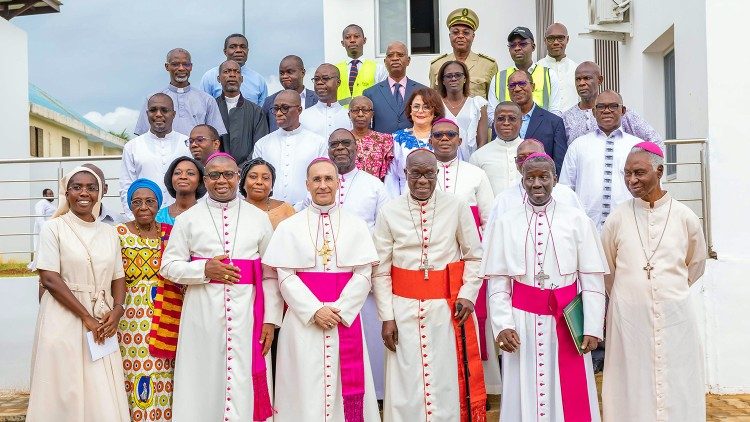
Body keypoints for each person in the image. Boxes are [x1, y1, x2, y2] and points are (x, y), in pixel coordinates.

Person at [482, 152, 606, 421]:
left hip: (567, 321)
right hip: (521, 321)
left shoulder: (577, 220)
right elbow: (498, 281)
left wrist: (593, 326)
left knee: (569, 392)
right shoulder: (506, 222)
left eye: (543, 177)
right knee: (522, 385)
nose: (537, 184)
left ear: (555, 179)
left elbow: (593, 279)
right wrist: (503, 324)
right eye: (530, 178)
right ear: (522, 180)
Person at [159, 152, 283, 422]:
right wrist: (204, 269)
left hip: (247, 315)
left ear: (238, 177)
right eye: (214, 175)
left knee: (243, 379)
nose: (221, 180)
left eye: (228, 174)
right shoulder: (188, 219)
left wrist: (271, 320)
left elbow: (271, 273)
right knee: (203, 380)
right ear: (205, 179)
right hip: (202, 316)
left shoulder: (258, 218)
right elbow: (168, 266)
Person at [373, 149, 487, 421]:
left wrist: (469, 294)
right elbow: (380, 270)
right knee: (406, 380)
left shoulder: (456, 206)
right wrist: (387, 317)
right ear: (405, 174)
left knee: (444, 377)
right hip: (403, 308)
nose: (422, 180)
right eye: (416, 174)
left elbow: (475, 255)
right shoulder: (389, 211)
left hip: (445, 309)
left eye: (428, 174)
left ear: (437, 174)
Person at [264, 158, 381, 421]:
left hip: (344, 319)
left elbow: (364, 273)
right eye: (316, 179)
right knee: (302, 384)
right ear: (307, 184)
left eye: (328, 179)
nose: (323, 185)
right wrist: (315, 310)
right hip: (302, 322)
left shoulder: (356, 225)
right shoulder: (289, 227)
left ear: (338, 182)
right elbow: (284, 275)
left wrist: (340, 310)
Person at [601, 142, 707, 422]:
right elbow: (607, 268)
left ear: (659, 171)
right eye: (626, 174)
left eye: (639, 173)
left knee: (678, 377)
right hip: (629, 318)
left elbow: (695, 263)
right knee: (631, 381)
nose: (631, 180)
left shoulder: (684, 216)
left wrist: (669, 290)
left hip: (675, 315)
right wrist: (632, 293)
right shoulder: (617, 218)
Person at [27, 166, 128, 421]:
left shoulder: (110, 232)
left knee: (100, 388)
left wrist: (117, 311)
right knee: (64, 386)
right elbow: (49, 278)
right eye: (77, 187)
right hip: (63, 315)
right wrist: (86, 316)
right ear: (67, 192)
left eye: (91, 188)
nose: (85, 193)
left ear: (100, 193)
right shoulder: (54, 228)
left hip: (102, 318)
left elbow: (119, 277)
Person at [428, 118, 498, 395]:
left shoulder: (475, 173)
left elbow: (488, 219)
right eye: (439, 135)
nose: (444, 139)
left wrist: (480, 256)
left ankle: (482, 386)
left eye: (451, 134)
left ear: (459, 140)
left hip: (468, 257)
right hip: (435, 258)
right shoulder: (420, 170)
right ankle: (444, 385)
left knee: (474, 317)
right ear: (430, 140)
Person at [116, 178, 173, 421]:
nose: (143, 207)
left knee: (165, 373)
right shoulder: (117, 233)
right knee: (135, 371)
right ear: (129, 205)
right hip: (130, 315)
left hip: (166, 311)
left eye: (150, 201)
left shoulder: (170, 233)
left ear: (158, 204)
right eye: (136, 202)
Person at [560, 90, 642, 230]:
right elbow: (565, 190)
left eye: (613, 106)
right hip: (587, 229)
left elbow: (648, 188)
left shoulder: (637, 146)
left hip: (629, 227)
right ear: (593, 112)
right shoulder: (578, 145)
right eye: (601, 107)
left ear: (622, 110)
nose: (607, 111)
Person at [252, 89, 328, 208]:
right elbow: (255, 181)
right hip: (268, 212)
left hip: (307, 213)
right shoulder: (262, 144)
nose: (278, 113)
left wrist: (300, 208)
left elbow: (322, 179)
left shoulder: (318, 143)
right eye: (275, 108)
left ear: (299, 110)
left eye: (285, 108)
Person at [120, 93, 191, 218]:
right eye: (153, 110)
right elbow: (127, 186)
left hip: (184, 218)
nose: (158, 114)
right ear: (147, 114)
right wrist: (134, 218)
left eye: (164, 110)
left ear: (173, 115)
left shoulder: (188, 144)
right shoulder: (132, 146)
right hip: (145, 220)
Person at [563, 61, 664, 148]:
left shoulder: (620, 112)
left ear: (600, 80)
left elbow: (655, 141)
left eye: (587, 78)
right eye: (578, 79)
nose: (581, 83)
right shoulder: (566, 118)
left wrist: (645, 168)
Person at [486, 139, 582, 228]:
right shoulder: (503, 199)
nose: (527, 161)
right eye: (521, 158)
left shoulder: (567, 195)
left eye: (532, 155)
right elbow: (493, 238)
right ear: (516, 163)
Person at [135, 48, 226, 137]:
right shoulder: (152, 100)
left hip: (195, 151)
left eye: (186, 64)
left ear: (191, 67)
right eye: (175, 64)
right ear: (167, 67)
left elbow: (214, 137)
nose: (181, 68)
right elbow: (142, 136)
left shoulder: (207, 100)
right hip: (161, 151)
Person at [489, 26, 561, 121]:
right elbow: (491, 115)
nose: (517, 48)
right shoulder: (498, 78)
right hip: (507, 132)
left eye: (522, 44)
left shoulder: (549, 75)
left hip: (541, 132)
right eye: (512, 45)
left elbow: (555, 111)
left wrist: (534, 126)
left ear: (533, 47)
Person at [383, 88, 444, 197]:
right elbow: (392, 175)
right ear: (410, 110)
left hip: (439, 198)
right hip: (406, 199)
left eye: (427, 107)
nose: (420, 111)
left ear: (435, 112)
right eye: (416, 106)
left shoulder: (443, 137)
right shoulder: (398, 138)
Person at [429, 8, 498, 99]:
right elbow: (433, 100)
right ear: (450, 36)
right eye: (456, 32)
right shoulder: (437, 65)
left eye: (466, 33)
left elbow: (494, 102)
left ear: (473, 36)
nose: (460, 36)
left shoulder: (488, 65)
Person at [508, 69, 568, 174]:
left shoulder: (554, 123)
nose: (517, 89)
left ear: (533, 87)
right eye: (512, 85)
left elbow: (559, 166)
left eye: (522, 84)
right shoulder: (501, 124)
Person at [363, 41, 427, 135]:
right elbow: (366, 127)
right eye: (390, 55)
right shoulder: (370, 93)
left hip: (414, 146)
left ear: (408, 60)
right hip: (382, 147)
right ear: (385, 62)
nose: (395, 58)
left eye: (400, 55)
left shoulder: (422, 91)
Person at [215, 59, 269, 165]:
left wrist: (242, 168)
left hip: (246, 173)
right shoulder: (211, 107)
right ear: (218, 78)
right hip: (217, 171)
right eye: (227, 71)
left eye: (236, 72)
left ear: (242, 79)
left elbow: (260, 145)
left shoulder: (256, 111)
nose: (232, 75)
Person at [436, 60, 489, 159]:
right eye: (449, 76)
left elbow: (483, 141)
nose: (453, 78)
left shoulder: (478, 104)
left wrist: (476, 163)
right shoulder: (436, 105)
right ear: (442, 81)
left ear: (465, 78)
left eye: (458, 75)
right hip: (443, 162)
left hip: (472, 162)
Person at [469, 102, 524, 195]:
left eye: (512, 119)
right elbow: (473, 192)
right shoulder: (478, 156)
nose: (506, 123)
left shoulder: (533, 151)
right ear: (494, 122)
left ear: (521, 122)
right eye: (501, 119)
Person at [201, 34, 267, 105]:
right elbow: (203, 107)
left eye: (243, 47)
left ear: (247, 51)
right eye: (233, 47)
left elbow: (262, 113)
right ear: (225, 51)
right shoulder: (209, 77)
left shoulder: (259, 80)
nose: (239, 50)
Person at [263, 55, 319, 131]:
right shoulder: (270, 101)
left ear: (302, 73)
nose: (284, 76)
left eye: (289, 72)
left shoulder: (317, 99)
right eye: (281, 73)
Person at [336, 23, 388, 106]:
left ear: (364, 40)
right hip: (341, 117)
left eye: (356, 36)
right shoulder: (335, 70)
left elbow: (383, 98)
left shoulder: (378, 69)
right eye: (347, 37)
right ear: (342, 43)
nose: (352, 40)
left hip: (368, 117)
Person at [299, 64, 353, 139]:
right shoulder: (303, 116)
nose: (319, 82)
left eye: (325, 78)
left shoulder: (349, 117)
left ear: (338, 82)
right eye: (316, 79)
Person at [240, 157, 295, 229]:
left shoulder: (286, 210)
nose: (259, 182)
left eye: (265, 178)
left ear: (272, 184)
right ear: (243, 182)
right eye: (253, 177)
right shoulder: (234, 209)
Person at [348, 95, 394, 179]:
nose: (360, 114)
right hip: (349, 189)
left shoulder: (384, 140)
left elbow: (390, 174)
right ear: (349, 114)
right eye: (355, 110)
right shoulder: (343, 141)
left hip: (377, 189)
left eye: (365, 110)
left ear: (372, 114)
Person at [537, 23, 579, 113]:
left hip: (572, 124)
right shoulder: (536, 69)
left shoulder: (577, 69)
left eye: (560, 38)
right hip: (545, 124)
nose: (556, 42)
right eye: (551, 39)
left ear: (567, 39)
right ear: (545, 41)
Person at [155, 156, 207, 225]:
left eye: (190, 173)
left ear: (200, 181)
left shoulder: (208, 216)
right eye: (177, 173)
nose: (183, 177)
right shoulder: (157, 217)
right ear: (171, 179)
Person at [29, 188, 55, 265]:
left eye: (52, 194)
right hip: (43, 228)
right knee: (42, 245)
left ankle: (48, 262)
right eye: (49, 194)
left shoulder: (50, 204)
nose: (52, 195)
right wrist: (44, 228)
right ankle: (41, 263)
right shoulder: (41, 203)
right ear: (44, 195)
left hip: (51, 228)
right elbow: (39, 216)